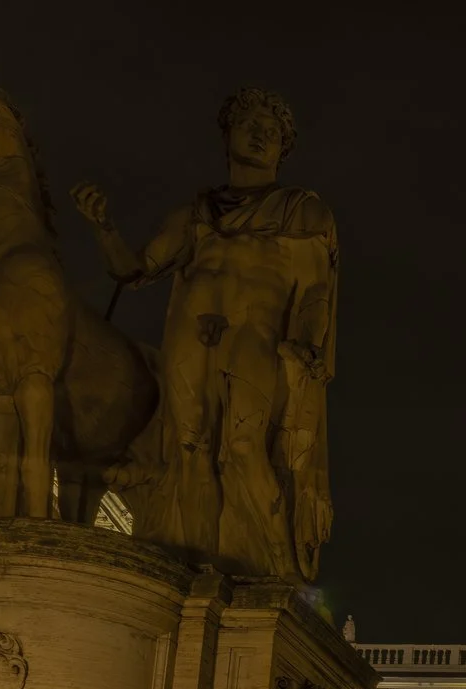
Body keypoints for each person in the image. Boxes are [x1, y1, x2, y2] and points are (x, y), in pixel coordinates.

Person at [72, 88, 338, 581]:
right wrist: (104, 226)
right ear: (228, 135)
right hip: (191, 334)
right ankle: (191, 565)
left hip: (255, 337)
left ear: (283, 148)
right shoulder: (196, 214)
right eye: (250, 124)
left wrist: (305, 341)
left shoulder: (302, 210)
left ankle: (275, 569)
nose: (261, 135)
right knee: (189, 450)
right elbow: (133, 270)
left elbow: (315, 289)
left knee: (242, 447)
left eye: (272, 132)